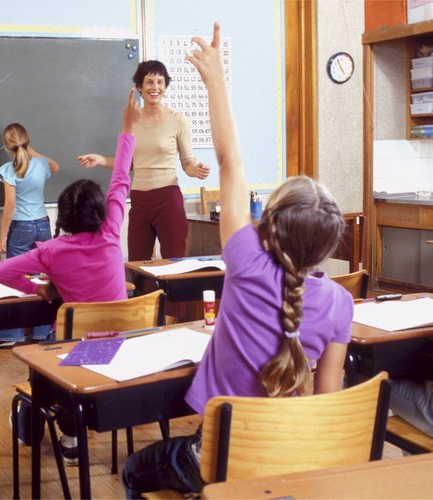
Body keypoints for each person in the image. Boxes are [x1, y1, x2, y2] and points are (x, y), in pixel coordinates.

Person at [121, 23, 353, 498]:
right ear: (327, 248)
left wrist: (215, 82)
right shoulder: (340, 304)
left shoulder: (247, 262)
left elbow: (230, 163)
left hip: (219, 457)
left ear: (267, 224)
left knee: (133, 472)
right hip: (290, 460)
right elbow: (327, 405)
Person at [0, 87, 142, 464]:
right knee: (63, 361)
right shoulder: (111, 234)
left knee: (38, 368)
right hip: (123, 350)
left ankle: (64, 434)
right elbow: (121, 176)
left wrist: (37, 290)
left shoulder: (51, 252)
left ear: (64, 217)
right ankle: (90, 425)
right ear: (101, 212)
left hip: (74, 356)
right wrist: (127, 127)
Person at [77, 60, 209, 263]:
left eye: (160, 82)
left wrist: (196, 169)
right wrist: (101, 159)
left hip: (168, 198)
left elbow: (187, 162)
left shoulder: (177, 120)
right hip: (139, 199)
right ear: (140, 86)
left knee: (173, 263)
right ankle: (144, 296)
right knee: (138, 264)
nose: (154, 88)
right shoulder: (132, 121)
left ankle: (171, 296)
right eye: (149, 82)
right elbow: (127, 163)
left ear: (165, 86)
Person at [0, 123, 59, 348]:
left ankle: (11, 335)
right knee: (43, 277)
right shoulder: (41, 164)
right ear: (27, 141)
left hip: (20, 227)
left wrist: (3, 236)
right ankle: (42, 332)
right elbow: (55, 166)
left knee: (13, 278)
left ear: (6, 146)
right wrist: (31, 150)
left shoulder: (8, 169)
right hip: (43, 225)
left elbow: (10, 204)